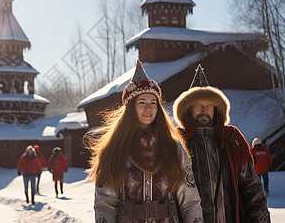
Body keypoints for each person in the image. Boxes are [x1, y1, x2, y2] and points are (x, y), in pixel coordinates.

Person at [86, 60, 204, 223]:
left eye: (153, 103)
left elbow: (190, 202)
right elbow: (105, 205)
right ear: (131, 108)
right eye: (142, 103)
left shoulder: (173, 148)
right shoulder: (115, 150)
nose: (148, 109)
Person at [173, 64, 270, 222]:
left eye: (208, 105)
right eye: (199, 105)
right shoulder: (178, 141)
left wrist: (260, 219)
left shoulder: (232, 139)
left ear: (216, 109)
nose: (204, 109)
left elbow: (251, 186)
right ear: (189, 109)